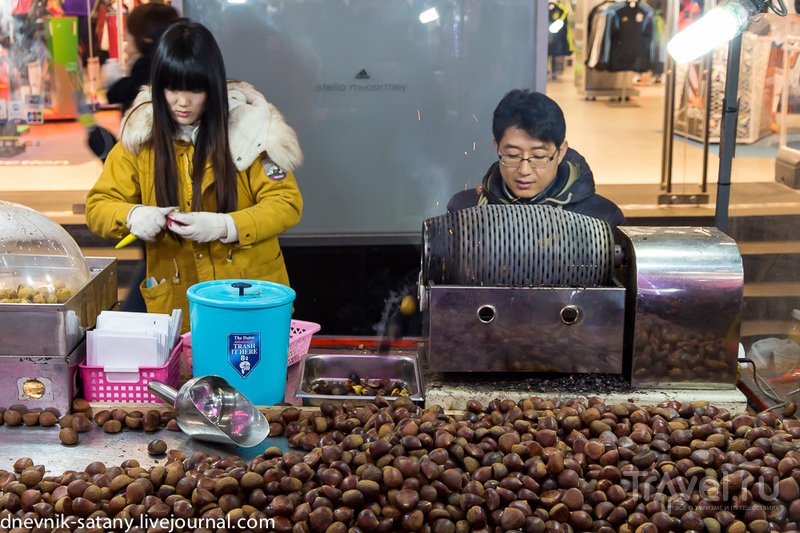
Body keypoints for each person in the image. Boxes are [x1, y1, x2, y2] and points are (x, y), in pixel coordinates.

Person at [85, 20, 304, 329]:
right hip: (177, 303)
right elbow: (98, 207)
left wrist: (226, 225)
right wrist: (133, 215)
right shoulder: (140, 138)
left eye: (195, 89)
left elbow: (286, 202)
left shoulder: (252, 130)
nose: (183, 102)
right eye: (173, 88)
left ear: (212, 87)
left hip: (249, 298)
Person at [447, 89, 626, 229]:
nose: (524, 170)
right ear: (497, 147)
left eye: (539, 157)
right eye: (513, 155)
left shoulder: (602, 218)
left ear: (561, 152)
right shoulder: (465, 210)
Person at [104, 2, 179, 113]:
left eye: (128, 39)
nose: (126, 49)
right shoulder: (173, 64)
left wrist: (114, 82)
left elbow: (120, 94)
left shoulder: (145, 71)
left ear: (145, 38)